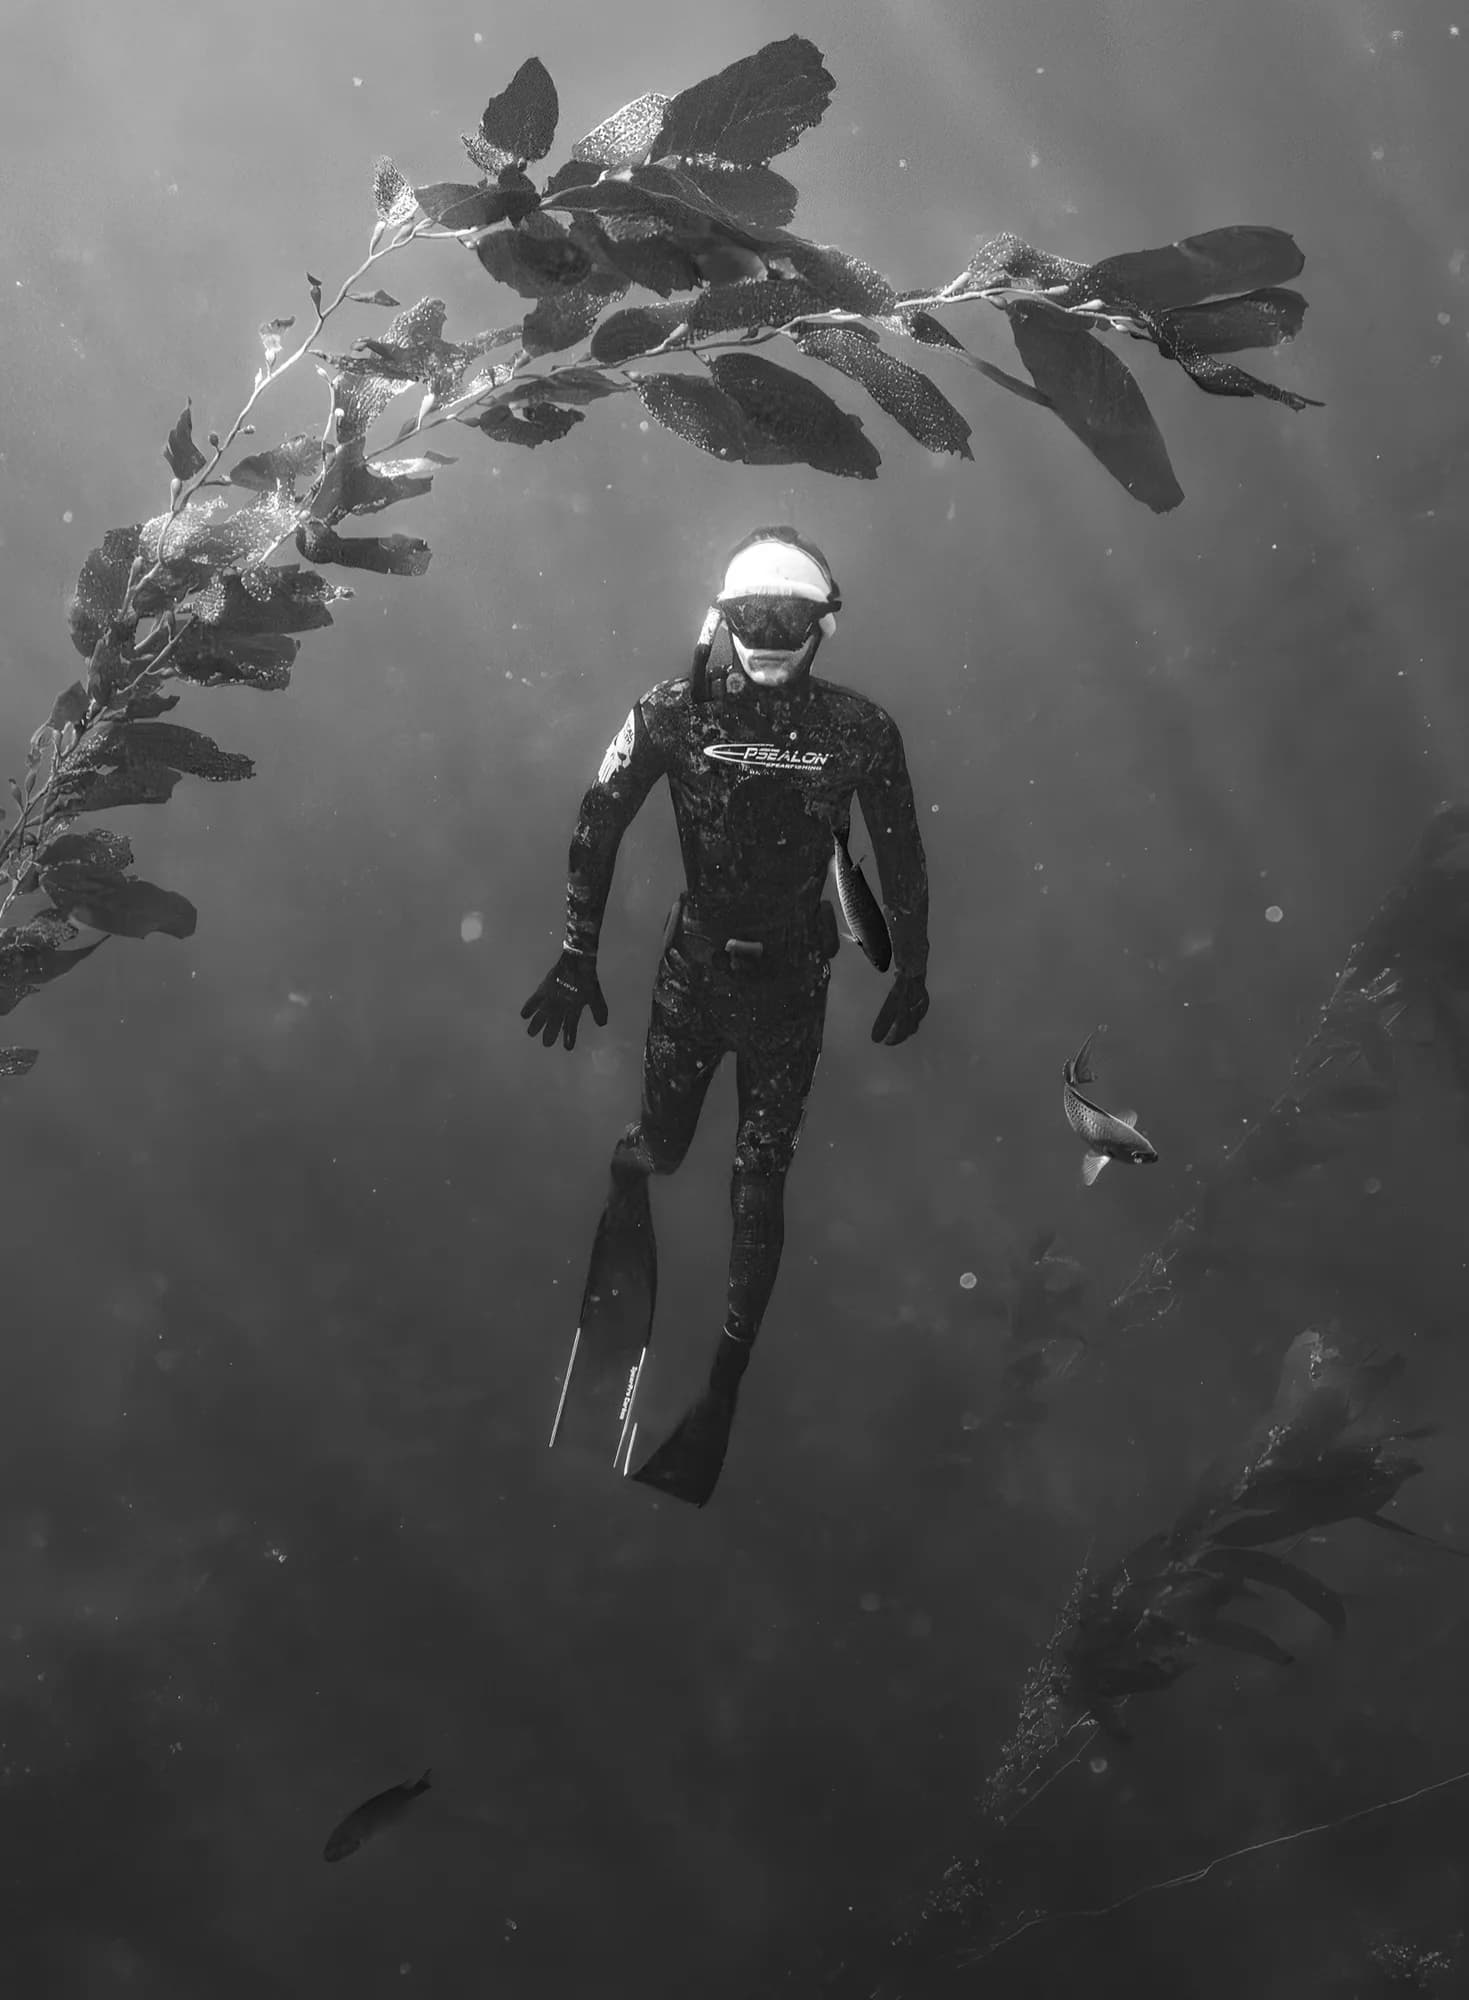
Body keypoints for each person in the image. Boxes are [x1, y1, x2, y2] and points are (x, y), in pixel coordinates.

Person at [525, 526, 930, 1506]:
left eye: (787, 620)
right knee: (665, 1147)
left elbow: (902, 855)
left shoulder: (858, 732)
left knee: (760, 1178)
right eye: (753, 619)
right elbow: (597, 820)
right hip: (705, 978)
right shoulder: (675, 712)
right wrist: (575, 949)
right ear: (720, 618)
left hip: (779, 985)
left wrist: (913, 967)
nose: (769, 637)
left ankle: (720, 1387)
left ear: (821, 623)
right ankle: (634, 1172)